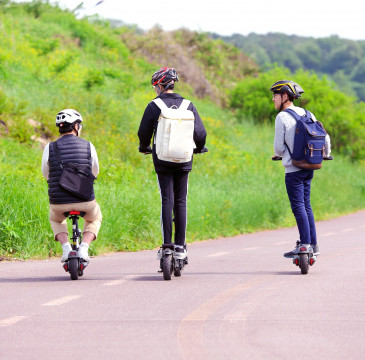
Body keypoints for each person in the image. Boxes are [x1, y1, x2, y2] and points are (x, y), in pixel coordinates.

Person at [137, 67, 207, 261]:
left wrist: (144, 146)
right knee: (181, 202)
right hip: (184, 159)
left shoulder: (154, 105)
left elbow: (143, 132)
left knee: (167, 201)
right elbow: (200, 133)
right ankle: (180, 247)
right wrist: (199, 147)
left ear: (160, 85)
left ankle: (167, 245)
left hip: (162, 159)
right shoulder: (188, 105)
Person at [271, 80, 331, 257]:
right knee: (306, 205)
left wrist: (279, 154)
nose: (273, 99)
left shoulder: (282, 117)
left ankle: (304, 245)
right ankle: (313, 244)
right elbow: (324, 137)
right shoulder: (307, 113)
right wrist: (325, 154)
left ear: (285, 96)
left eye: (275, 95)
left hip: (294, 169)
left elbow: (279, 148)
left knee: (298, 207)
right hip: (310, 165)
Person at [41, 109, 102, 263]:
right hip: (85, 200)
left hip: (59, 202)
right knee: (95, 218)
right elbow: (95, 171)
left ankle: (66, 249)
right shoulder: (89, 146)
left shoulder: (50, 147)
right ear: (75, 127)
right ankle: (84, 248)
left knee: (56, 219)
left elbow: (45, 173)